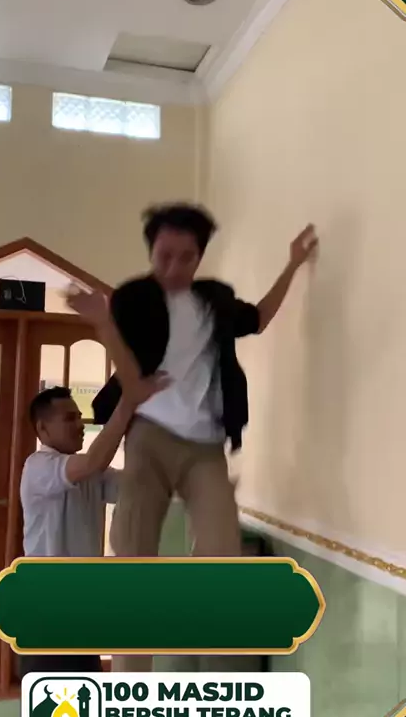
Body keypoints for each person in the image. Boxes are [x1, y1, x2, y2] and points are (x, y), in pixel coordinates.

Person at [67, 203, 318, 566]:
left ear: (200, 257)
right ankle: (131, 598)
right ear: (151, 252)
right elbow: (131, 380)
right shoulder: (135, 299)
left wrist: (293, 263)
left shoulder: (216, 300)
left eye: (187, 258)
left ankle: (201, 599)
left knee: (222, 547)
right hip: (149, 435)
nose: (174, 268)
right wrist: (103, 323)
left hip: (205, 443)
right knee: (132, 544)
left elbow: (259, 319)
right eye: (164, 256)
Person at [14, 378, 166, 717]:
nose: (79, 424)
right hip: (46, 618)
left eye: (80, 417)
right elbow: (91, 463)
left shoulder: (90, 475)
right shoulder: (40, 468)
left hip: (78, 616)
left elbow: (137, 486)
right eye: (69, 418)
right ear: (42, 429)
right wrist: (127, 404)